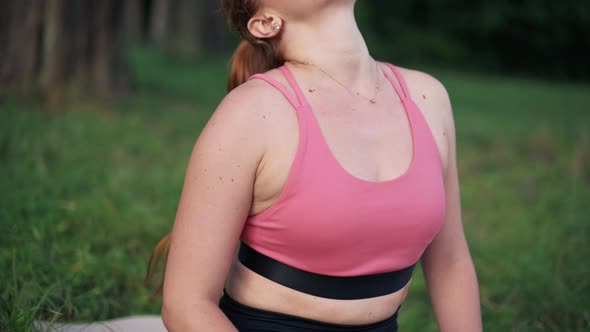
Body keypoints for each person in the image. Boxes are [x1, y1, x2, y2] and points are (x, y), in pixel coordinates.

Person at [148, 0, 483, 331]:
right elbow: (185, 304)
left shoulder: (427, 97)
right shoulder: (252, 113)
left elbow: (451, 263)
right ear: (266, 23)